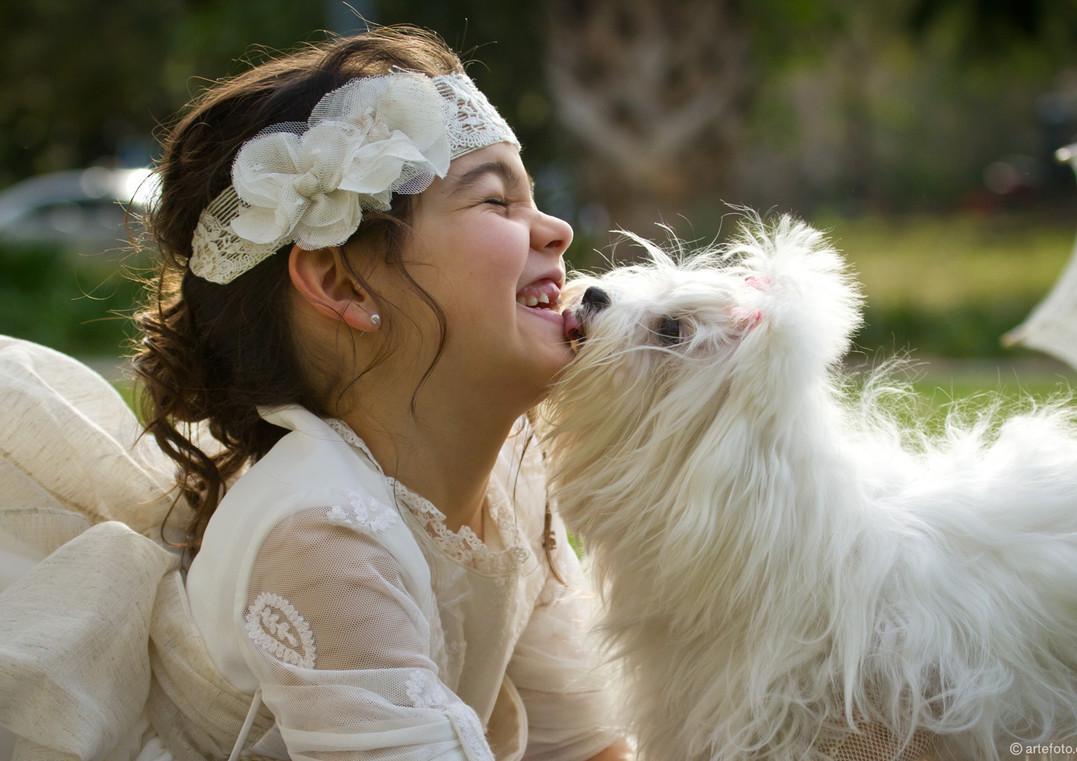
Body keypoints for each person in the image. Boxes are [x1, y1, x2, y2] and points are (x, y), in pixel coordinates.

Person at [0, 24, 631, 761]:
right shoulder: (323, 532)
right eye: (495, 201)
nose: (554, 229)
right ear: (339, 282)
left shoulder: (510, 473)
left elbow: (585, 744)